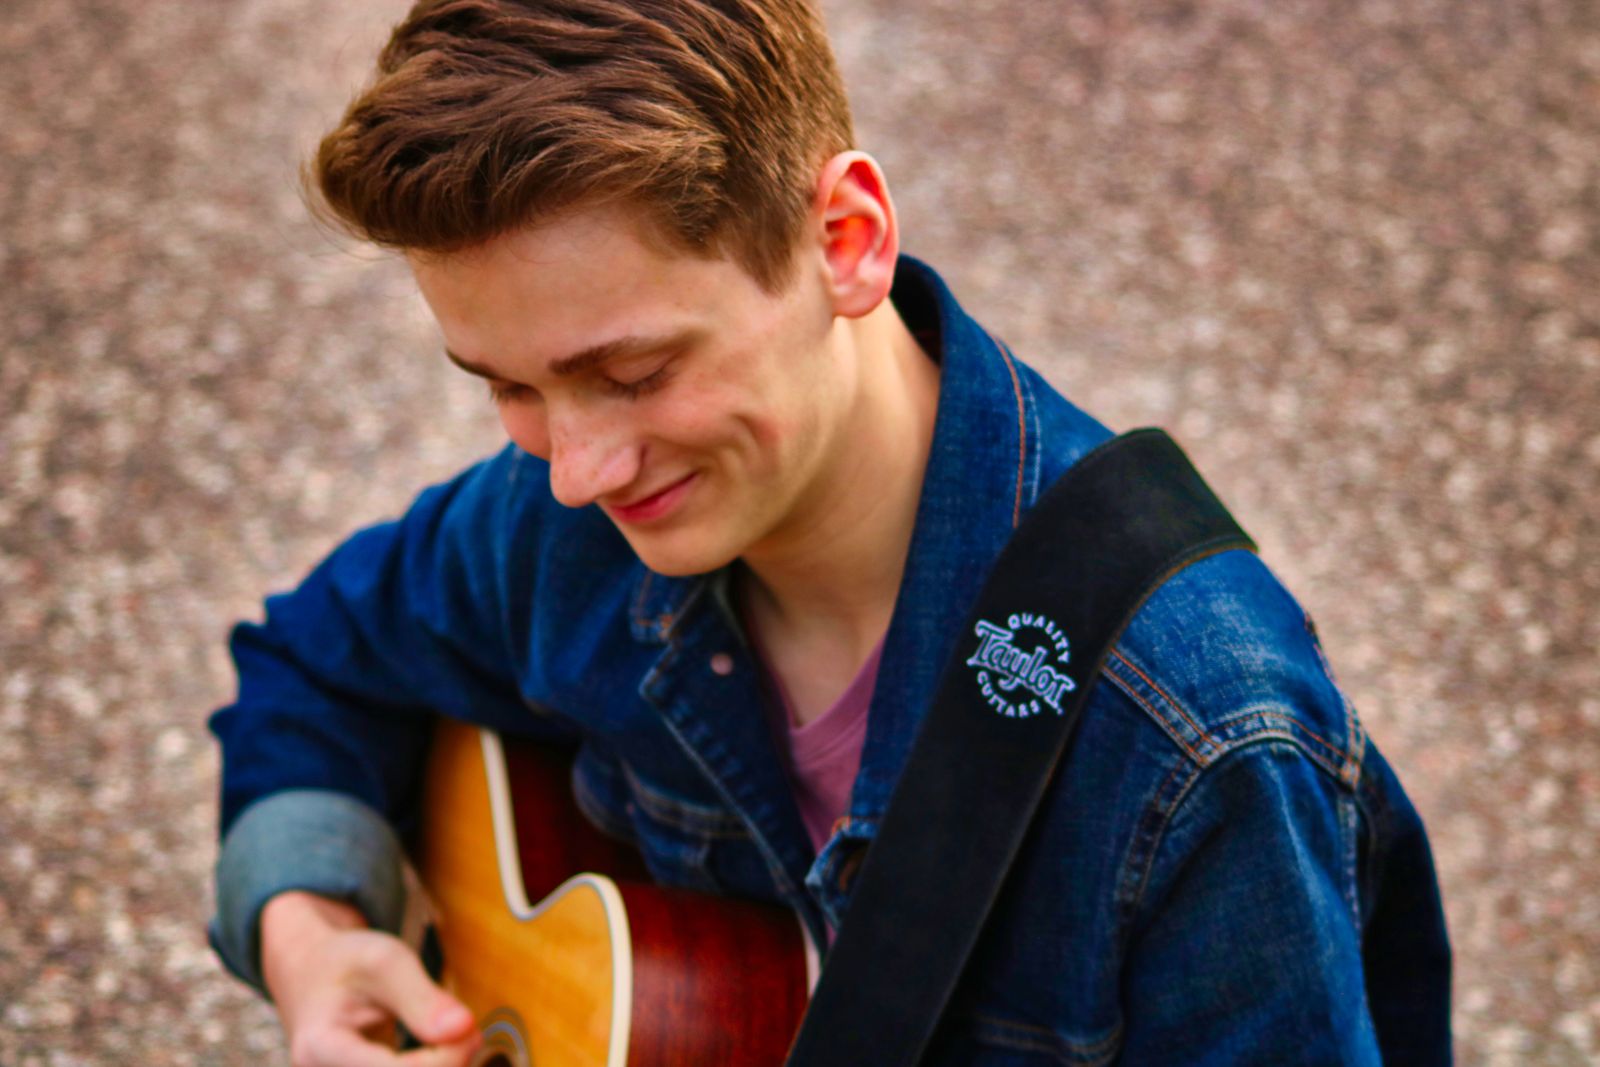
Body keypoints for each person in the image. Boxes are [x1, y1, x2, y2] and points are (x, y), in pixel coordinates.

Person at [207, 1, 1453, 1063]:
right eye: (510, 386)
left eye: (634, 374)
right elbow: (313, 659)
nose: (578, 472)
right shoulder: (557, 533)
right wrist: (307, 930)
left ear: (844, 241)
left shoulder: (1197, 735)